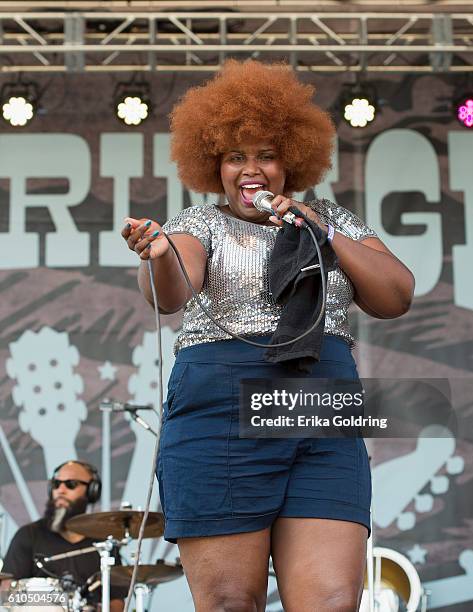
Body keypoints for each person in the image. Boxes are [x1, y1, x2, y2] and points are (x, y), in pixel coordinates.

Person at [122, 60, 414, 611]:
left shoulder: (330, 221)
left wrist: (318, 229)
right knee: (231, 600)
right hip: (219, 412)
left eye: (265, 154)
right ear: (215, 165)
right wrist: (157, 253)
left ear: (292, 161)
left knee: (331, 601)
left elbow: (396, 295)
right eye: (235, 156)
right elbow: (171, 287)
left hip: (318, 410)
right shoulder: (201, 222)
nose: (249, 169)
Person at [1, 460, 125, 612]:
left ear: (92, 490)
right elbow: (6, 593)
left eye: (71, 484)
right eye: (56, 484)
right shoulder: (28, 535)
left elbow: (116, 602)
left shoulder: (105, 543)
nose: (61, 490)